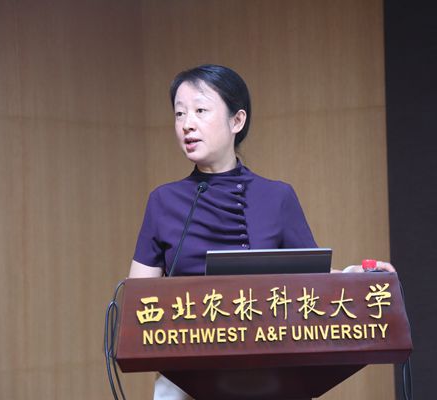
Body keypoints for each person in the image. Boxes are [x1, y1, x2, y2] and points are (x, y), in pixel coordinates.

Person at [128, 64, 395, 399]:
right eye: (179, 114)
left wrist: (355, 278)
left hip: (269, 369)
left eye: (200, 111)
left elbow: (312, 279)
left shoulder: (277, 196)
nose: (187, 124)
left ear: (237, 121)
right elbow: (137, 299)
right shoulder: (163, 201)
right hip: (185, 376)